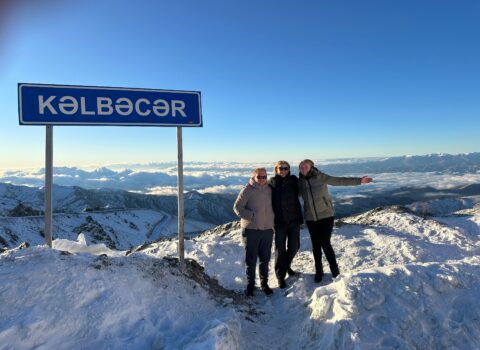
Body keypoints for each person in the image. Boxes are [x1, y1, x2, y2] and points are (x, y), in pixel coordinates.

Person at [298, 159, 372, 282]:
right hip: (310, 218)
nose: (303, 169)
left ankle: (335, 270)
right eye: (301, 167)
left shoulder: (320, 177)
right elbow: (292, 194)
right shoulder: (300, 182)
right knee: (316, 245)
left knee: (325, 243)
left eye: (306, 167)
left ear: (311, 167)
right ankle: (319, 271)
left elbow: (339, 181)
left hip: (326, 216)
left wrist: (360, 181)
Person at [233, 168, 275, 297]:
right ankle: (250, 286)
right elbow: (237, 207)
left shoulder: (270, 189)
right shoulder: (247, 190)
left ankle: (264, 284)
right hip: (251, 230)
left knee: (265, 259)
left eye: (264, 176)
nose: (262, 179)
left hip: (267, 229)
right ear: (254, 177)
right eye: (259, 177)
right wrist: (252, 216)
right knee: (251, 259)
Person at [269, 160, 303, 289]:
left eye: (286, 168)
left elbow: (305, 185)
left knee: (295, 246)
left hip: (294, 220)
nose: (283, 170)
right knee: (280, 249)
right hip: (279, 222)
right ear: (276, 169)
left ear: (289, 169)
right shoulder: (272, 183)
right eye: (280, 168)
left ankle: (286, 265)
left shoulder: (294, 180)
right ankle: (280, 276)